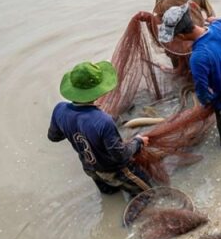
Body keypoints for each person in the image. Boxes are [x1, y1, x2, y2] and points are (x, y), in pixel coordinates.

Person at [48, 61, 152, 197]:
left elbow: (54, 137)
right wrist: (138, 142)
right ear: (97, 92)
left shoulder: (59, 109)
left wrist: (73, 131)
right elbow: (120, 155)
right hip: (115, 171)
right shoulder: (103, 121)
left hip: (90, 169)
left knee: (110, 194)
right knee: (149, 194)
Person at [158, 1, 221, 146]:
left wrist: (206, 102)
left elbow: (202, 91)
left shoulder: (198, 57)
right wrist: (219, 20)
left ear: (181, 37)